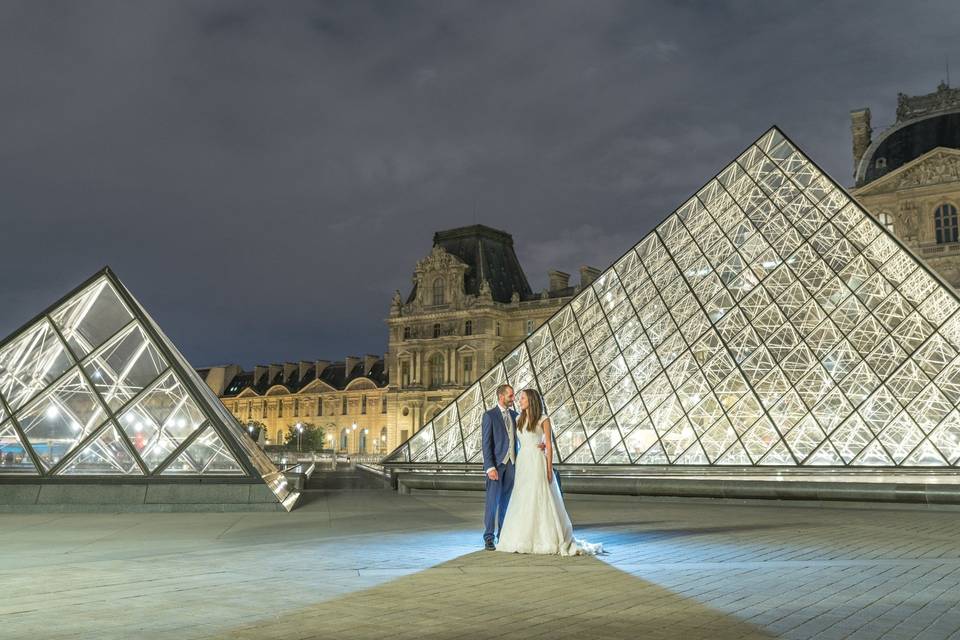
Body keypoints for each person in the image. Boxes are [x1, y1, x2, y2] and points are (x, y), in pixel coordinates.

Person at [496, 388, 603, 556]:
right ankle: (522, 536)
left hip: (537, 460)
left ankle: (543, 538)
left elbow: (549, 444)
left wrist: (548, 468)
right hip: (523, 461)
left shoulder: (543, 419)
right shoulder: (517, 418)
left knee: (539, 497)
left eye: (522, 398)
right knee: (522, 497)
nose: (519, 400)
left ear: (531, 400)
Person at [481, 384, 519, 550]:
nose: (513, 399)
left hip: (512, 465)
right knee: (492, 503)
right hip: (496, 466)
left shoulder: (515, 415)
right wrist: (490, 467)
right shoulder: (489, 416)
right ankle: (488, 537)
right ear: (501, 396)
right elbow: (486, 443)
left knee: (506, 503)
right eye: (510, 396)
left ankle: (502, 534)